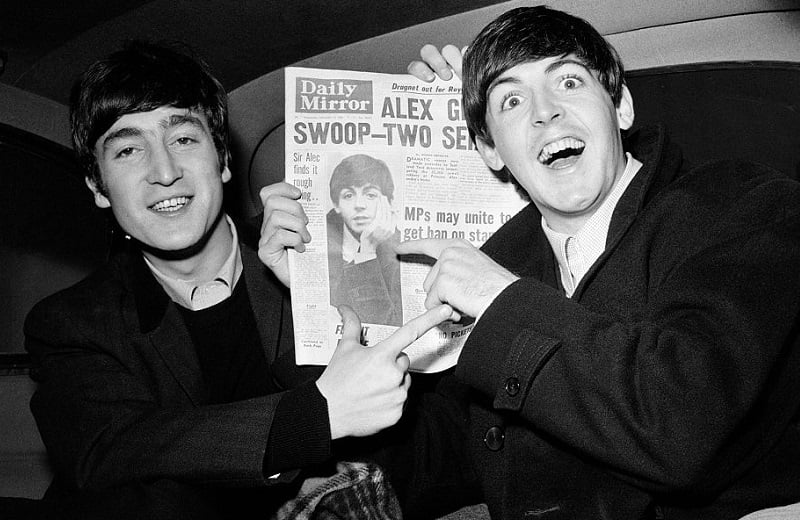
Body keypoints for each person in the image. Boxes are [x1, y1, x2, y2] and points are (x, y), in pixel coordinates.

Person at [263, 6, 800, 519]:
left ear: (621, 107)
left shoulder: (740, 203)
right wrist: (323, 295)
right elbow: (439, 459)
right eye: (511, 102)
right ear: (491, 151)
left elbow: (683, 427)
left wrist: (500, 301)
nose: (545, 112)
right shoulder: (506, 259)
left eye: (568, 82)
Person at [23, 40, 451, 520]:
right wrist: (313, 419)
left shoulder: (311, 262)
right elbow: (110, 450)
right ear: (98, 187)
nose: (164, 172)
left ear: (223, 160)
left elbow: (435, 409)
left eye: (183, 139)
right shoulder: (71, 323)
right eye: (127, 150)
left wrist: (460, 117)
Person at [326, 154, 402, 327]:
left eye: (370, 194)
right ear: (336, 204)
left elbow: (388, 324)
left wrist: (366, 253)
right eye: (348, 195)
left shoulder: (403, 250)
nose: (359, 204)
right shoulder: (318, 240)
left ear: (387, 202)